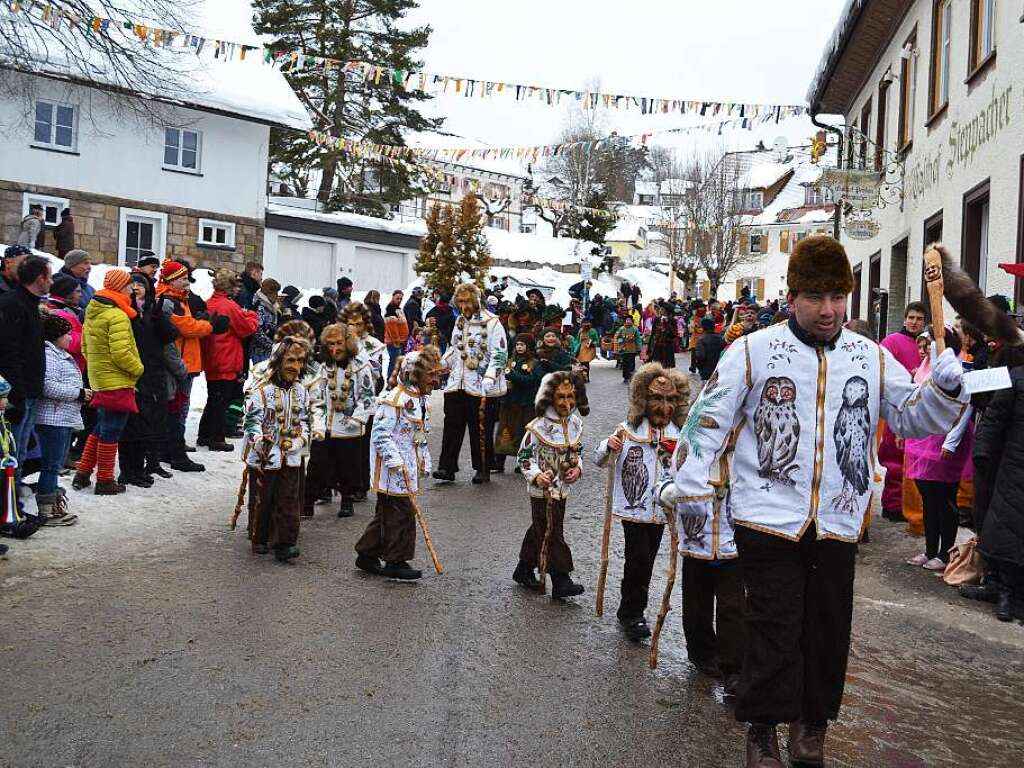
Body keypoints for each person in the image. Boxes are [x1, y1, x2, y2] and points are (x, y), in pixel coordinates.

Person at [657, 236, 969, 767]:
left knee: (827, 625)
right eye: (816, 298)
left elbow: (915, 419)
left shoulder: (868, 356)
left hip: (838, 518)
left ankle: (812, 726)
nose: (828, 311)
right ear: (793, 295)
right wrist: (686, 477)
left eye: (838, 298)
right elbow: (708, 417)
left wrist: (942, 391)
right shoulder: (753, 350)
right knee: (775, 623)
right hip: (768, 516)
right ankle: (761, 730)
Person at [593, 364, 689, 641]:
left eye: (670, 400)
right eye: (657, 399)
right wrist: (607, 447)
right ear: (643, 400)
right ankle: (632, 613)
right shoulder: (628, 430)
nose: (664, 406)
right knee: (638, 559)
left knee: (646, 560)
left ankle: (633, 609)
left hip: (662, 511)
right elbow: (600, 459)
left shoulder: (679, 434)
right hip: (634, 509)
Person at [355, 346, 442, 580]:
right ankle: (396, 560)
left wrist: (425, 460)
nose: (434, 380)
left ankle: (367, 553)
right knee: (401, 513)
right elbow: (380, 436)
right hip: (393, 470)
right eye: (430, 374)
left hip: (408, 467)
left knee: (386, 512)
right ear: (415, 374)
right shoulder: (393, 401)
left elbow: (419, 435)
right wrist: (395, 461)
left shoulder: (421, 401)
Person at [513, 371, 589, 599]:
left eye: (571, 397)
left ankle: (524, 568)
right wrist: (536, 475)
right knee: (552, 529)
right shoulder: (537, 427)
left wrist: (578, 468)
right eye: (561, 397)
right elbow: (524, 456)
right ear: (549, 398)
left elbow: (578, 451)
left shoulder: (574, 423)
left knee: (542, 528)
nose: (567, 403)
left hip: (562, 488)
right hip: (542, 490)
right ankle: (561, 578)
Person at [904, 328, 974, 572]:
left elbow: (965, 407)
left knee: (945, 498)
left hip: (943, 442)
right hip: (923, 440)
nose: (925, 349)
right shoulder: (924, 368)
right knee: (928, 497)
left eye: (930, 343)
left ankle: (945, 553)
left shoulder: (956, 369)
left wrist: (951, 442)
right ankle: (930, 549)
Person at [73, 268, 145, 495]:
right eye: (127, 285)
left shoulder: (93, 310)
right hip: (117, 380)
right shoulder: (117, 315)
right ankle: (104, 480)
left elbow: (85, 347)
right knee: (112, 430)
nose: (132, 289)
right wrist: (138, 369)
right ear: (119, 287)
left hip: (99, 378)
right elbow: (122, 353)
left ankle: (83, 472)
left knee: (101, 427)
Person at [242, 336, 312, 562]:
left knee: (289, 499)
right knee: (262, 499)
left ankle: (285, 542)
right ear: (278, 361)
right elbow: (251, 421)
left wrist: (299, 442)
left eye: (300, 361)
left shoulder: (301, 391)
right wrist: (259, 440)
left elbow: (305, 422)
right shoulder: (261, 391)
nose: (296, 366)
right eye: (290, 360)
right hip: (265, 456)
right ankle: (260, 537)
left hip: (290, 456)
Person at [435, 282, 508, 485]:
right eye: (460, 301)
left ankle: (483, 468)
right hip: (457, 383)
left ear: (477, 300)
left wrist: (490, 377)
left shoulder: (492, 323)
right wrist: (440, 363)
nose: (464, 305)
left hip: (482, 386)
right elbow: (454, 349)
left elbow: (500, 354)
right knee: (452, 426)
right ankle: (447, 467)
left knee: (480, 429)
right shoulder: (459, 321)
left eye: (467, 300)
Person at [155, 260, 223, 473]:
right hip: (178, 363)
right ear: (173, 280)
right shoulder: (168, 301)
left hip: (186, 361)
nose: (187, 282)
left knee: (176, 409)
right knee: (176, 410)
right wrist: (210, 325)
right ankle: (176, 453)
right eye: (183, 278)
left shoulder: (178, 299)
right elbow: (187, 327)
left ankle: (169, 450)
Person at [304, 323, 376, 518]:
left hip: (349, 426)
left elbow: (368, 396)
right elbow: (316, 395)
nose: (334, 349)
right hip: (325, 426)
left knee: (348, 465)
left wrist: (357, 418)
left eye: (338, 343)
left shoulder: (361, 367)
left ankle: (347, 500)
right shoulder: (324, 368)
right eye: (330, 344)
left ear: (347, 343)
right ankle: (307, 501)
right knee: (316, 464)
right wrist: (317, 419)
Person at [118, 272, 178, 485]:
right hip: (135, 371)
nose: (136, 287)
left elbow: (169, 335)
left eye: (140, 284)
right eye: (132, 284)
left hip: (154, 371)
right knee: (136, 423)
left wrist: (158, 316)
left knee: (157, 419)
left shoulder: (153, 310)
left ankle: (152, 462)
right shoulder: (126, 311)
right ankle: (131, 468)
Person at [0, 255, 50, 493]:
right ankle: (8, 508)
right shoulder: (13, 303)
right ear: (40, 278)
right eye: (48, 276)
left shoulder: (30, 303)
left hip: (31, 389)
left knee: (20, 450)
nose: (51, 281)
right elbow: (9, 350)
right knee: (11, 452)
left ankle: (14, 502)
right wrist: (16, 392)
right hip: (17, 392)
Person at [878, 301, 927, 522]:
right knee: (895, 461)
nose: (914, 322)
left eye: (919, 319)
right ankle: (892, 504)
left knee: (916, 463)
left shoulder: (927, 344)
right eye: (911, 318)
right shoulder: (891, 342)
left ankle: (911, 506)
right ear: (905, 319)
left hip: (919, 410)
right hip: (897, 406)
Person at [198, 270, 258, 452]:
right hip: (227, 356)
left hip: (212, 356)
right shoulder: (229, 306)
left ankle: (205, 435)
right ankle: (217, 437)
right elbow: (246, 328)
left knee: (213, 398)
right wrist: (252, 316)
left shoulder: (210, 302)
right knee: (221, 401)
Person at [33, 313, 83, 526]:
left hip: (62, 417)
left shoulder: (59, 353)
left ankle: (52, 502)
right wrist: (79, 393)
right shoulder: (50, 355)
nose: (71, 338)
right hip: (52, 418)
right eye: (67, 334)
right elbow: (48, 386)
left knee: (54, 465)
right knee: (51, 465)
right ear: (55, 336)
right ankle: (46, 510)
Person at [340, 301, 386, 504]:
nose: (355, 328)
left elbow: (377, 375)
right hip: (340, 398)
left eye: (359, 323)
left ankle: (360, 485)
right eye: (351, 323)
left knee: (361, 445)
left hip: (364, 397)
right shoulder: (337, 341)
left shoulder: (373, 345)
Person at [494, 333, 544, 474]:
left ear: (528, 346)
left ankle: (523, 462)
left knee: (524, 434)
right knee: (504, 431)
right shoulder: (509, 361)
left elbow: (533, 381)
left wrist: (512, 375)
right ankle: (499, 462)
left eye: (522, 345)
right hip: (508, 402)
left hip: (526, 403)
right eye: (517, 344)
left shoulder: (535, 363)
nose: (519, 347)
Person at [46, 274, 85, 370]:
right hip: (67, 367)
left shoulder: (71, 310)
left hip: (73, 366)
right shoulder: (59, 314)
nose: (81, 295)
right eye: (77, 291)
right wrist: (91, 335)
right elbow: (72, 344)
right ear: (66, 293)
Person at [250, 278, 281, 365]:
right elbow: (257, 330)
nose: (277, 295)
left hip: (268, 350)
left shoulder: (271, 306)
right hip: (260, 351)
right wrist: (271, 345)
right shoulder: (260, 306)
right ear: (269, 293)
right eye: (275, 293)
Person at [383, 300, 410, 380]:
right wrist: (397, 342)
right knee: (394, 363)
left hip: (400, 342)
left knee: (396, 362)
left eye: (401, 298)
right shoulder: (391, 313)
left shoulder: (398, 311)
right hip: (394, 343)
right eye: (398, 298)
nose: (400, 300)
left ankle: (394, 379)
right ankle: (390, 380)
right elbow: (393, 331)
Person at [694, 316, 725, 382]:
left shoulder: (701, 340)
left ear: (703, 328)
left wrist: (698, 365)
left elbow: (700, 356)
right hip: (719, 369)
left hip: (706, 371)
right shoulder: (720, 338)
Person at [615, 315, 642, 382]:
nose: (628, 322)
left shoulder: (635, 329)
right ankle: (625, 377)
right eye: (627, 320)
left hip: (632, 349)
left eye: (629, 320)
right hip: (624, 349)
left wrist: (639, 347)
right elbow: (618, 337)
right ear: (625, 321)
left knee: (632, 363)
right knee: (625, 363)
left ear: (632, 321)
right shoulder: (622, 329)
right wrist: (620, 341)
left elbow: (638, 339)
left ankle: (631, 376)